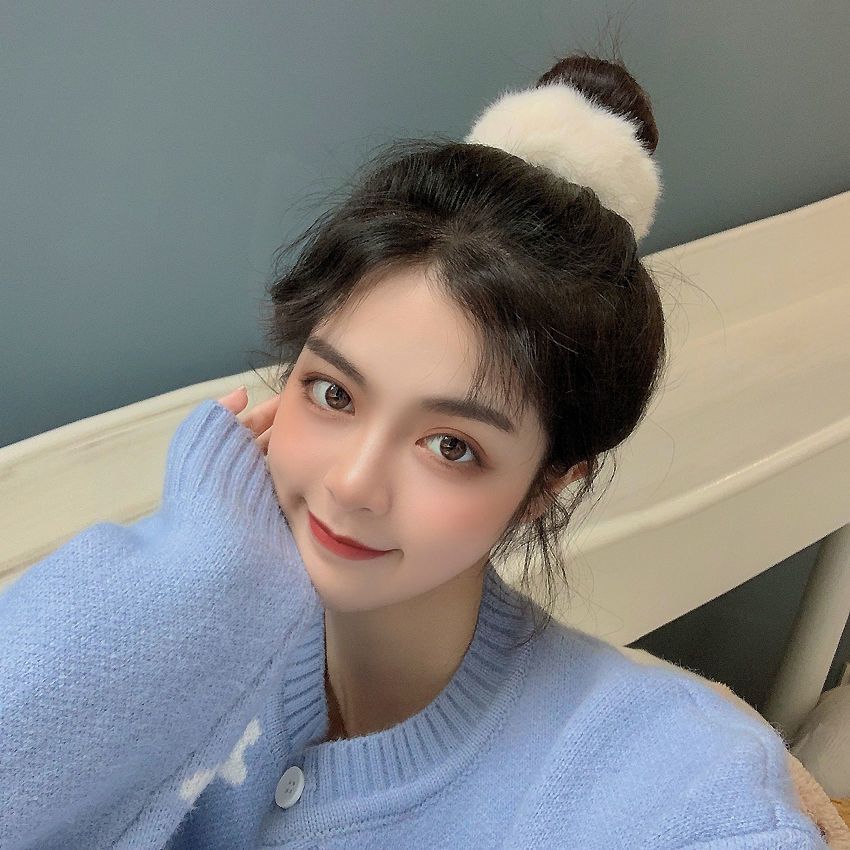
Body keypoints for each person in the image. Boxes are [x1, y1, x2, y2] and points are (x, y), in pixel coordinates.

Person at [0, 52, 828, 849]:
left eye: (449, 445)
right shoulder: (169, 629)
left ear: (546, 486)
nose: (354, 484)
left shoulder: (667, 776)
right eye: (333, 393)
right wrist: (189, 578)